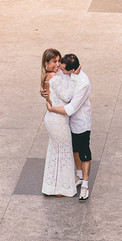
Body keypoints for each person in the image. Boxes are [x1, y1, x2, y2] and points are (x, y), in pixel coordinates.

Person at [45, 53, 92, 201]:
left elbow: (71, 107)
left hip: (80, 123)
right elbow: (57, 85)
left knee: (84, 153)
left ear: (72, 71)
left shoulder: (83, 83)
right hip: (68, 122)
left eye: (64, 70)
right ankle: (78, 176)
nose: (61, 71)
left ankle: (85, 184)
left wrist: (52, 109)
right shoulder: (68, 74)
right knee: (75, 150)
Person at [39, 49, 77, 197]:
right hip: (57, 120)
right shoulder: (53, 78)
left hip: (52, 118)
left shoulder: (47, 77)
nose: (57, 64)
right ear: (46, 63)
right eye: (54, 61)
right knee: (65, 151)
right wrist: (74, 77)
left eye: (58, 61)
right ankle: (62, 187)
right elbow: (67, 97)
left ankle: (52, 186)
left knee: (55, 151)